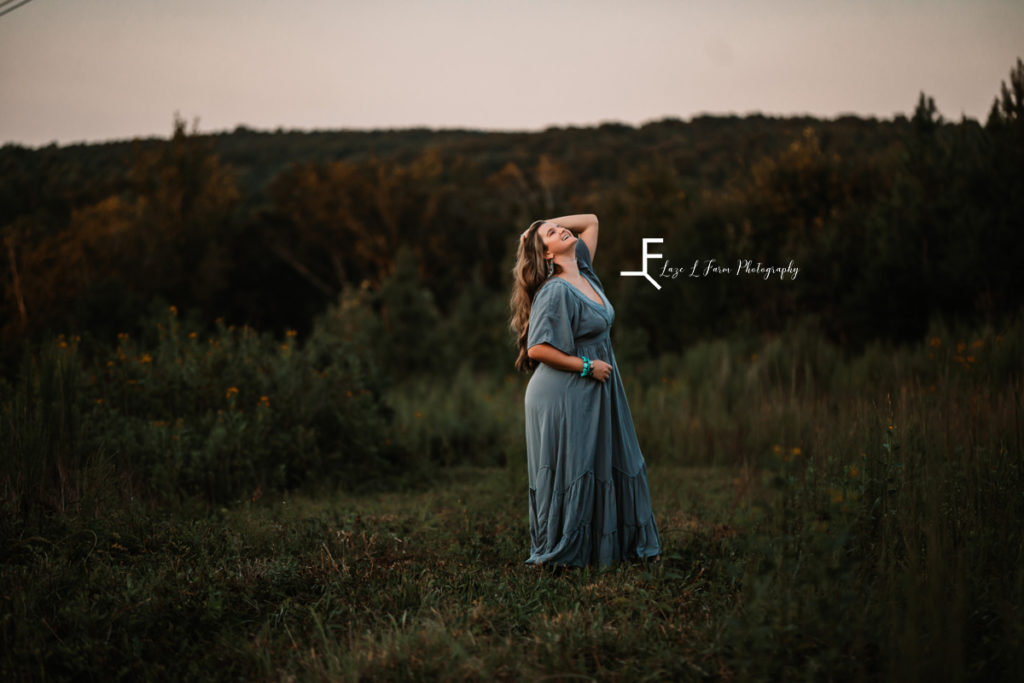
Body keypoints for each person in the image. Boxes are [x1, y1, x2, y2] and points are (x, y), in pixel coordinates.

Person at [510, 213, 662, 569]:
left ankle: (613, 549)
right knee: (577, 467)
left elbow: (591, 221)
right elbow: (537, 349)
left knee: (611, 459)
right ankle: (565, 554)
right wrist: (585, 366)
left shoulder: (583, 271)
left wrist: (537, 225)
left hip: (597, 383)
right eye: (552, 233)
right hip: (565, 388)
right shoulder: (555, 289)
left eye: (558, 226)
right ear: (546, 255)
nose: (563, 229)